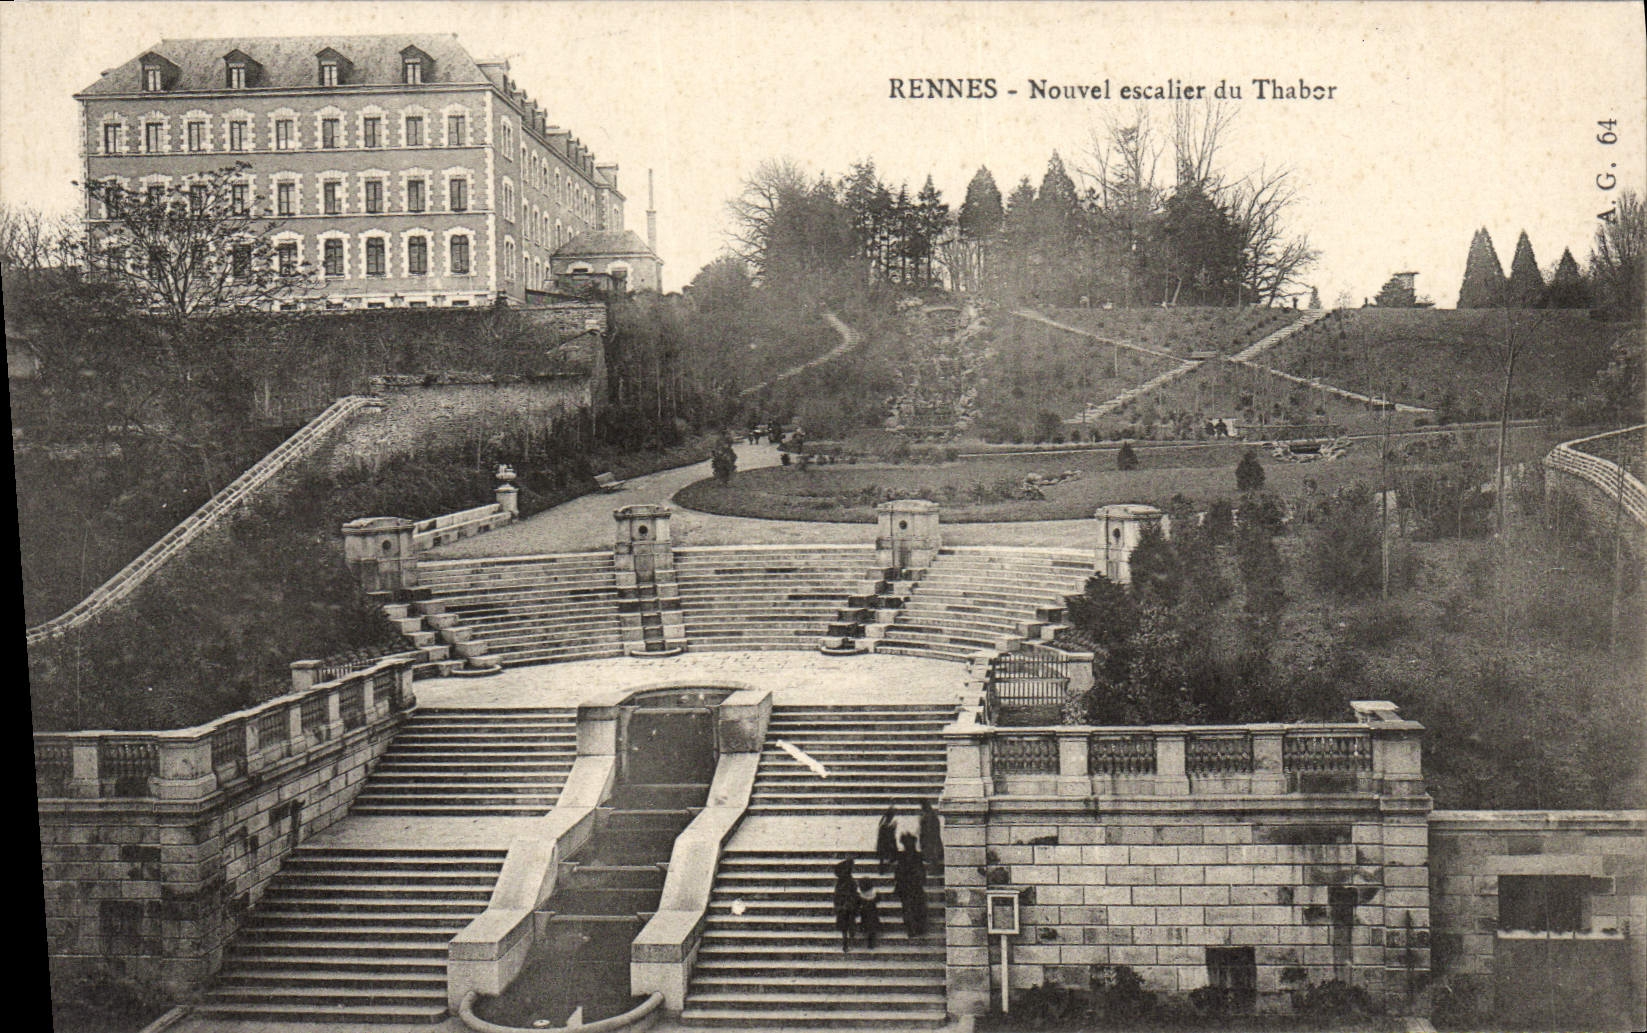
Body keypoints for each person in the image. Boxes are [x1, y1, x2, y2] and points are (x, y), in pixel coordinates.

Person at [893, 832, 929, 937]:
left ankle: (911, 929)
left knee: (908, 908)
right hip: (915, 886)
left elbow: (898, 873)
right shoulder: (917, 856)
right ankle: (918, 928)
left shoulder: (902, 856)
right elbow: (922, 871)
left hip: (906, 887)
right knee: (917, 907)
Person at [832, 857, 859, 953]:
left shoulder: (840, 883)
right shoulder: (851, 881)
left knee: (844, 927)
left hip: (842, 908)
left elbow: (836, 896)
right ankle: (849, 939)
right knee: (850, 923)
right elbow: (854, 894)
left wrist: (838, 906)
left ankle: (846, 943)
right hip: (848, 907)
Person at [856, 877, 882, 950]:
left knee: (866, 923)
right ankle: (872, 939)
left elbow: (858, 902)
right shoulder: (874, 892)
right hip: (873, 910)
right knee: (872, 924)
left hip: (864, 911)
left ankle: (867, 934)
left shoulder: (860, 894)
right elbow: (878, 899)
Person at [918, 800, 944, 868]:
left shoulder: (929, 815)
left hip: (929, 835)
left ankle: (932, 858)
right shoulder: (928, 814)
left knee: (931, 847)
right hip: (928, 834)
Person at [875, 804, 899, 873]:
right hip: (885, 841)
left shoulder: (884, 821)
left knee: (882, 855)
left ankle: (882, 867)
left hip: (883, 841)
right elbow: (891, 834)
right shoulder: (886, 823)